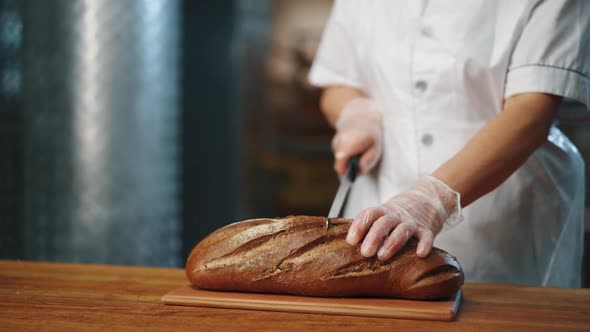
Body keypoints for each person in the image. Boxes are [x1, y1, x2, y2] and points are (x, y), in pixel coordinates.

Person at [309, 0, 589, 287]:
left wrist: (429, 200)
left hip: (506, 222)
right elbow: (337, 81)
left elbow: (533, 109)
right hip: (377, 208)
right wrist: (356, 113)